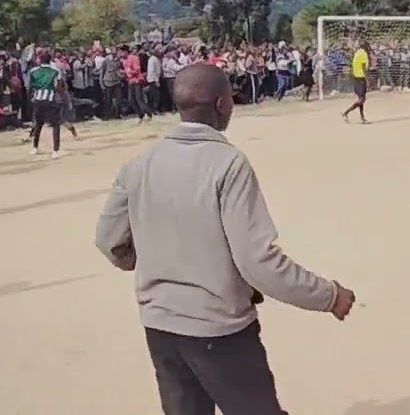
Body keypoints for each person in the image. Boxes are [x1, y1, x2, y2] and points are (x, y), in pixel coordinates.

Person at [95, 63, 355, 414]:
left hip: (160, 325)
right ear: (221, 105)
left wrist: (149, 261)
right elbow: (257, 262)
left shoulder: (139, 164)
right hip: (218, 329)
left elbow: (109, 240)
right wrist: (328, 295)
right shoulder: (228, 164)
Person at [341, 41, 370, 124]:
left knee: (360, 98)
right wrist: (367, 78)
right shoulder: (363, 53)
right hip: (361, 77)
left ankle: (362, 118)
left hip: (355, 77)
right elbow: (364, 67)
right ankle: (346, 112)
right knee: (362, 99)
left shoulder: (357, 52)